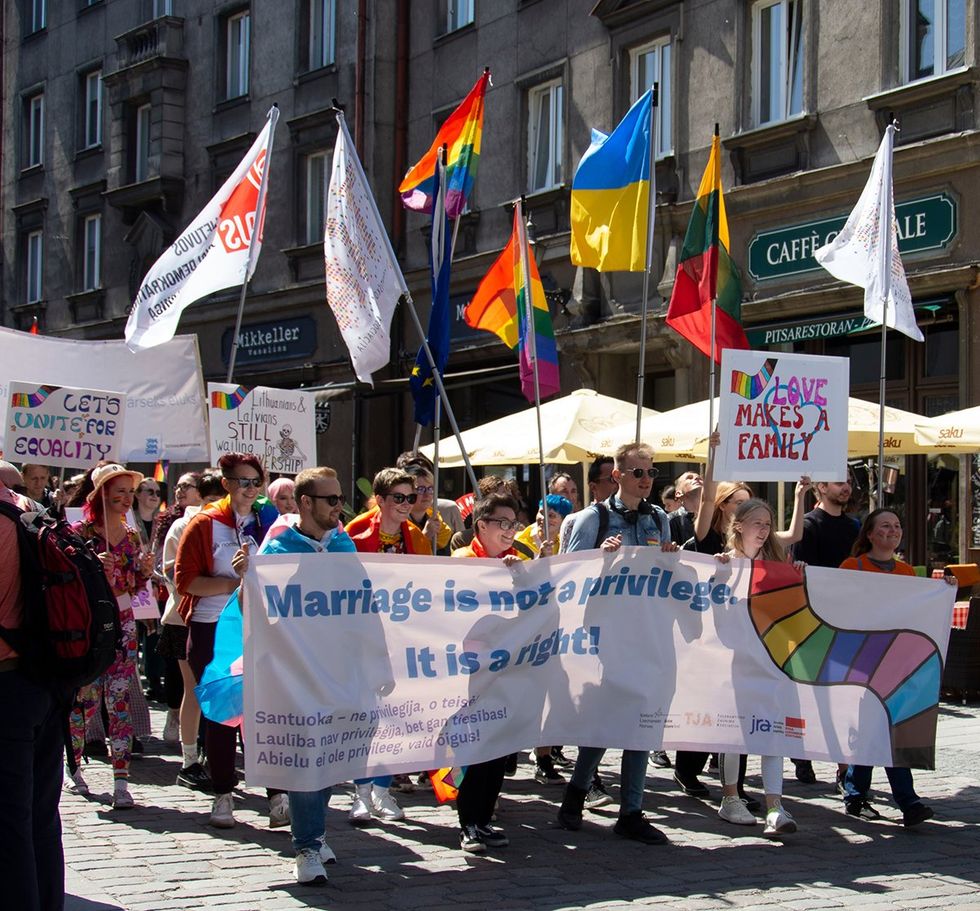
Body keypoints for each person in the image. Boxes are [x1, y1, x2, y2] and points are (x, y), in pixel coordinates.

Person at [556, 442, 679, 845]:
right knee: (611, 716)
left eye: (651, 473)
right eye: (638, 472)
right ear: (617, 476)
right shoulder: (592, 517)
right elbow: (569, 573)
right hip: (605, 632)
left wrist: (670, 557)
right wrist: (600, 558)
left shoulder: (659, 517)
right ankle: (577, 791)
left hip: (646, 629)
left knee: (642, 714)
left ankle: (631, 810)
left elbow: (663, 573)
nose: (646, 480)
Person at [258, 467, 356, 884]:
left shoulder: (344, 544)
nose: (339, 506)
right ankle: (307, 846)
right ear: (305, 504)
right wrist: (250, 578)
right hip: (295, 672)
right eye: (330, 500)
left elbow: (365, 601)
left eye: (340, 499)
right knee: (305, 758)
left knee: (330, 758)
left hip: (337, 670)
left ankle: (314, 829)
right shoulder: (278, 549)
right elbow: (259, 612)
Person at [175, 453, 279, 829]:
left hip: (261, 627)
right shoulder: (205, 524)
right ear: (226, 484)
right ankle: (222, 793)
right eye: (242, 481)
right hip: (214, 627)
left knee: (264, 711)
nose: (251, 489)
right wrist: (237, 581)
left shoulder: (269, 521)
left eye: (256, 482)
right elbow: (186, 580)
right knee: (222, 712)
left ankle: (276, 793)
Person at [838, 509, 946, 827]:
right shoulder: (852, 566)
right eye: (885, 525)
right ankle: (897, 799)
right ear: (869, 534)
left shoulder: (906, 571)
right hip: (862, 660)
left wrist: (945, 588)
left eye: (897, 526)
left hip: (895, 662)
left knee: (888, 728)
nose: (893, 530)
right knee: (873, 727)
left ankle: (862, 796)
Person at [713, 497, 804, 837]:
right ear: (738, 526)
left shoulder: (777, 565)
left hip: (771, 659)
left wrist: (798, 578)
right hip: (735, 662)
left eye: (768, 524)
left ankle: (775, 805)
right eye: (757, 523)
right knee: (735, 734)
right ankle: (731, 797)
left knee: (773, 733)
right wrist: (718, 576)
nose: (764, 530)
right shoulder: (726, 563)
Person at [347, 467, 433, 823]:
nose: (405, 505)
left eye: (410, 498)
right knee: (365, 716)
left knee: (394, 716)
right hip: (362, 636)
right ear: (379, 499)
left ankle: (382, 790)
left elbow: (428, 585)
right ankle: (360, 792)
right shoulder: (353, 534)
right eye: (398, 498)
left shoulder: (417, 537)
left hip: (402, 638)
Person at [67, 464, 155, 809]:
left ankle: (121, 780)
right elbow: (68, 584)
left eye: (128, 492)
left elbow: (135, 586)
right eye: (118, 491)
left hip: (124, 624)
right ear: (101, 494)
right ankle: (73, 765)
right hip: (92, 626)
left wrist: (143, 573)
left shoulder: (131, 536)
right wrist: (91, 567)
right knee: (86, 701)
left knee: (118, 703)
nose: (125, 499)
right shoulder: (80, 531)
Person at [0, 462, 67, 911]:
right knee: (42, 815)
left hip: (6, 683)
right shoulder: (31, 509)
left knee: (9, 823)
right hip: (47, 679)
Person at [451, 491, 524, 853]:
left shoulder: (515, 562)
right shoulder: (464, 561)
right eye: (503, 524)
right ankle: (469, 822)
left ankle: (484, 818)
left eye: (514, 524)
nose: (511, 531)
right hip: (469, 673)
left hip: (505, 671)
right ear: (481, 525)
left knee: (499, 750)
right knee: (476, 750)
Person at [789, 478, 858, 786]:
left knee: (845, 696)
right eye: (837, 482)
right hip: (815, 620)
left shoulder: (856, 527)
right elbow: (807, 572)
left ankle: (846, 769)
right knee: (812, 694)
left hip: (849, 620)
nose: (845, 487)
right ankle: (802, 753)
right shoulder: (808, 524)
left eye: (847, 481)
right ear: (820, 487)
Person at [159, 472, 224, 791]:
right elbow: (174, 573)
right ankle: (189, 761)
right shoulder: (185, 526)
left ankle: (215, 755)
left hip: (222, 620)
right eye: (211, 500)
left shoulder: (235, 526)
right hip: (184, 619)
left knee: (223, 691)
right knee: (195, 691)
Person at [513, 494, 573, 561]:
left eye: (551, 515)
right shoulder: (518, 541)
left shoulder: (565, 544)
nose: (544, 518)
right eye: (541, 513)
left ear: (563, 521)